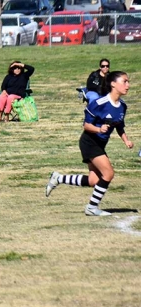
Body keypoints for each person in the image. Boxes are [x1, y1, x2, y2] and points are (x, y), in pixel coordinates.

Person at [45, 71, 132, 216]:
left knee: (93, 180)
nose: (128, 85)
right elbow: (86, 126)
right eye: (124, 81)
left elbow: (119, 125)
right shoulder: (99, 103)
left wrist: (126, 140)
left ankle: (58, 178)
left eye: (128, 82)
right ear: (113, 84)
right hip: (89, 142)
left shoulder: (122, 106)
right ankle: (92, 207)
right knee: (108, 173)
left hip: (100, 144)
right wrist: (99, 128)